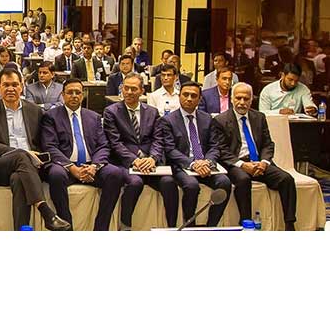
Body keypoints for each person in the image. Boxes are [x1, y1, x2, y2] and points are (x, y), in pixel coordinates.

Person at [0, 68, 70, 231]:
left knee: (18, 179)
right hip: (0, 165)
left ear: (22, 86)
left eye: (15, 84)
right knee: (21, 155)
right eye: (6, 85)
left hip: (29, 167)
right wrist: (24, 153)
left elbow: (41, 142)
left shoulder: (34, 110)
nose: (10, 89)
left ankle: (22, 230)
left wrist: (34, 156)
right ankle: (46, 212)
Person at [40, 79, 124, 230]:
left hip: (90, 167)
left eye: (77, 92)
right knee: (55, 174)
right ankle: (66, 226)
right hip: (66, 168)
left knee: (115, 174)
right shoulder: (51, 116)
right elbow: (50, 146)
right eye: (70, 92)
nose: (74, 96)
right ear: (62, 95)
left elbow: (104, 145)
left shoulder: (94, 117)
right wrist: (72, 168)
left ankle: (101, 227)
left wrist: (94, 167)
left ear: (83, 95)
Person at [212, 82, 297, 230]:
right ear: (232, 99)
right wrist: (243, 165)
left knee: (286, 179)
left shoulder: (259, 117)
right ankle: (245, 222)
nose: (242, 102)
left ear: (252, 100)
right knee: (243, 180)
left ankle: (289, 223)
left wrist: (264, 162)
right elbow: (222, 150)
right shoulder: (220, 120)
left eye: (246, 99)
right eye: (238, 98)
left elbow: (268, 144)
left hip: (259, 162)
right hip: (236, 164)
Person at [102, 73, 179, 229]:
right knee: (135, 183)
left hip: (150, 163)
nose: (129, 92)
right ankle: (125, 226)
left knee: (169, 182)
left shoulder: (152, 111)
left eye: (133, 89)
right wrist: (134, 161)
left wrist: (153, 158)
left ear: (142, 91)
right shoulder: (111, 112)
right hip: (126, 163)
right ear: (121, 89)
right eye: (126, 88)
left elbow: (158, 139)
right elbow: (115, 143)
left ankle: (172, 227)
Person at [159, 82, 232, 227]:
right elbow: (170, 149)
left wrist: (207, 161)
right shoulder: (168, 120)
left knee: (225, 182)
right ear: (179, 97)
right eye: (185, 95)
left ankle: (211, 226)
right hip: (182, 165)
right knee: (191, 186)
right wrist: (193, 163)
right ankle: (189, 226)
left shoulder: (207, 119)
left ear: (199, 99)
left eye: (194, 96)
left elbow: (214, 146)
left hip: (206, 164)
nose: (189, 99)